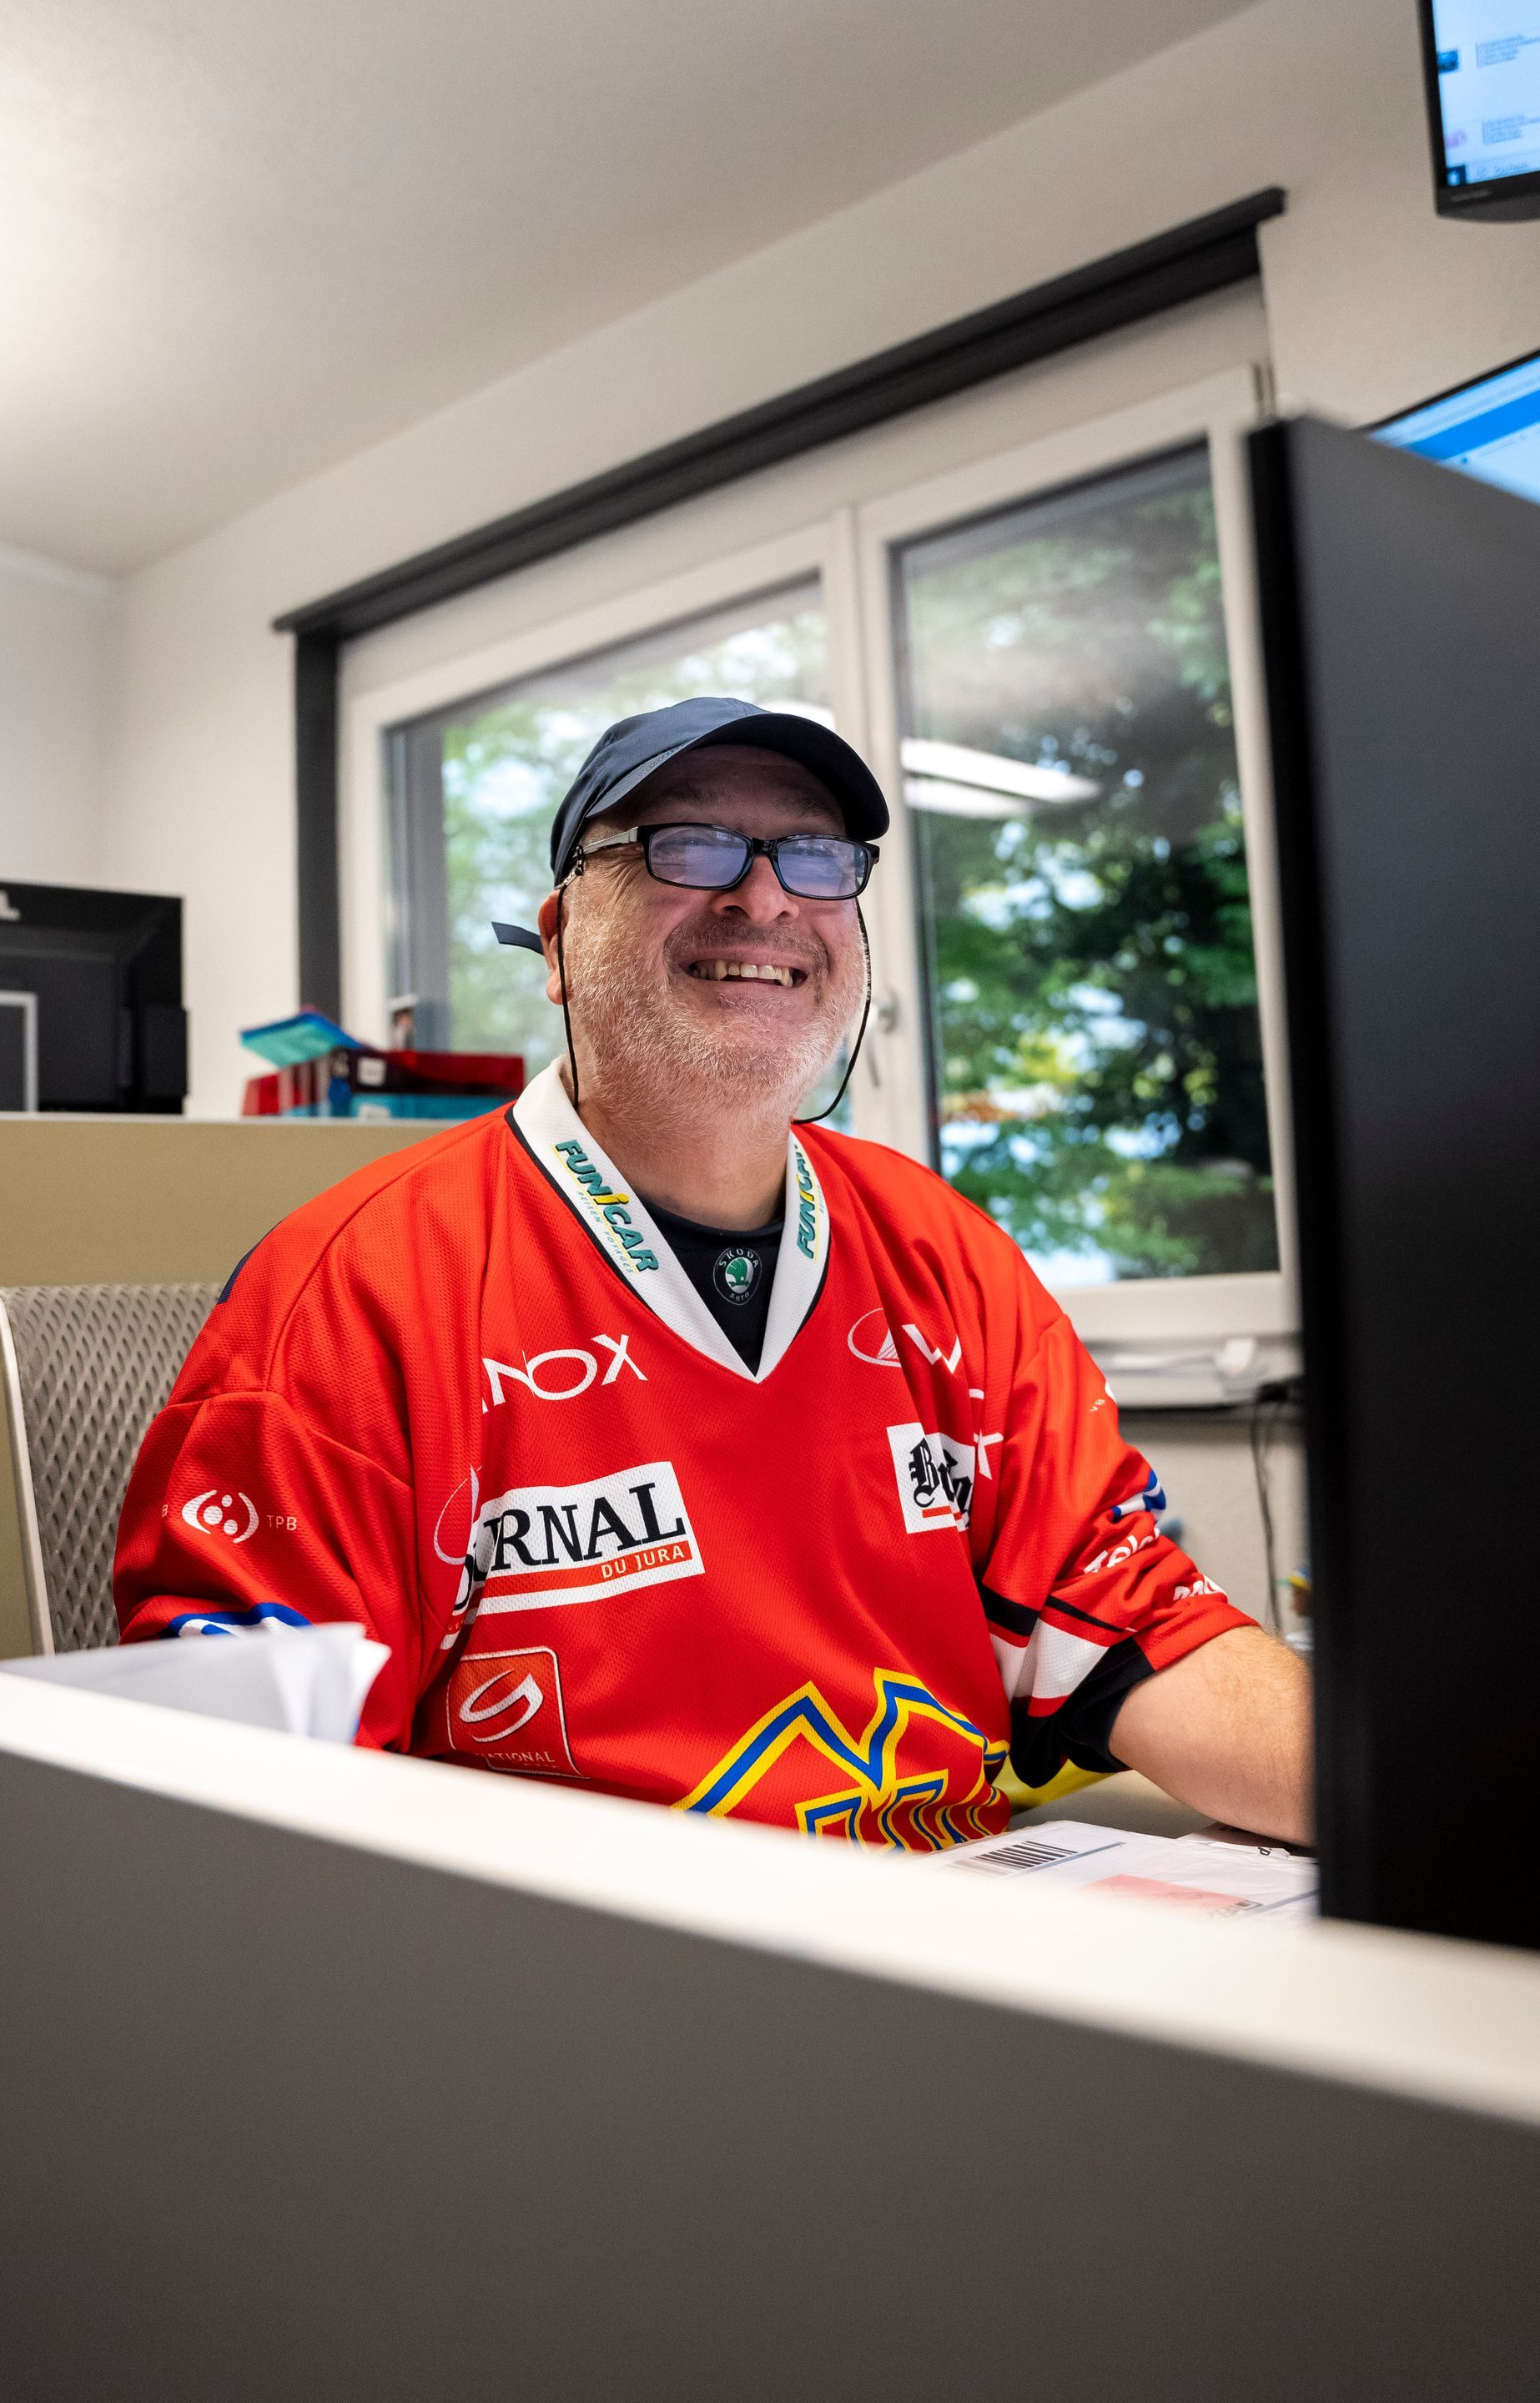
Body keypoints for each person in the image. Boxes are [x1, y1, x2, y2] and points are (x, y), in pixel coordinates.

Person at [114, 696, 1311, 1846]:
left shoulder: (940, 1253)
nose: (766, 898)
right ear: (558, 941)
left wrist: (1424, 1809)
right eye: (688, 848)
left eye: (817, 858)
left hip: (956, 1936)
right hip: (577, 1987)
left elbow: (1142, 1630)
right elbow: (256, 1799)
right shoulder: (359, 1288)